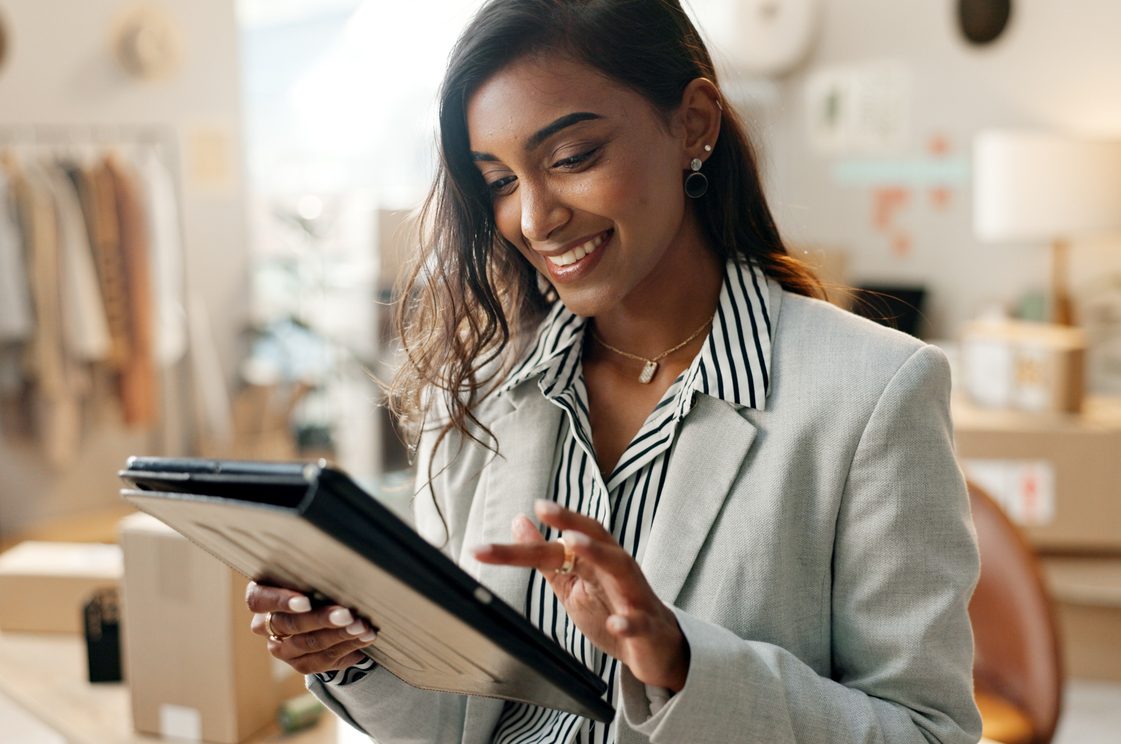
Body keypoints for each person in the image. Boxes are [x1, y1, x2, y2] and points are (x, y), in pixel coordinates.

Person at [244, 0, 983, 741]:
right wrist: (353, 654)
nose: (534, 219)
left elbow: (929, 733)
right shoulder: (476, 389)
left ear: (694, 123)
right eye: (499, 180)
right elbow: (455, 721)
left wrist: (682, 665)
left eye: (569, 159)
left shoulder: (875, 392)